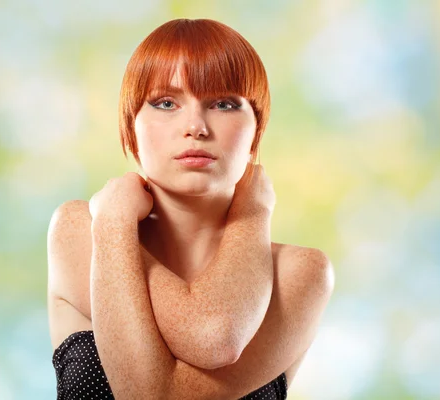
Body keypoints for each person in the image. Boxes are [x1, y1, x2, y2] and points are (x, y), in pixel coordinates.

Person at [47, 18, 335, 399]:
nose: (196, 126)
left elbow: (213, 337)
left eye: (224, 104)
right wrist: (112, 221)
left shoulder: (300, 275)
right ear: (131, 128)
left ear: (255, 134)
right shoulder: (81, 229)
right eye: (166, 103)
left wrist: (254, 210)